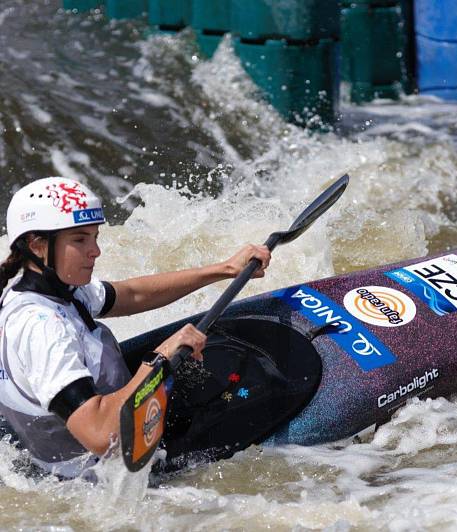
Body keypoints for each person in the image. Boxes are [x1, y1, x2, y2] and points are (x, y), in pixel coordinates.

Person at [0, 177, 270, 478]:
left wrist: (224, 269)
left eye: (95, 236)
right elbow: (100, 435)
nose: (95, 251)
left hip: (108, 445)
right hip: (95, 479)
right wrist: (160, 359)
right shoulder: (43, 328)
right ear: (38, 246)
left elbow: (132, 294)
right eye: (80, 240)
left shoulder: (51, 291)